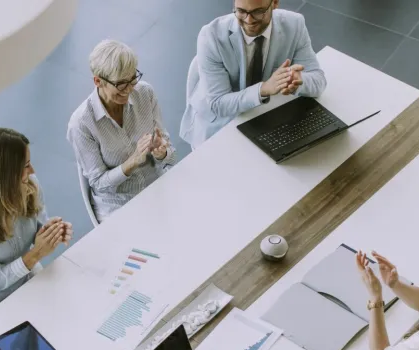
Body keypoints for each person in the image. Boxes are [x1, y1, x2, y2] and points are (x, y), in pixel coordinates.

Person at [0, 128, 73, 320]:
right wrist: (34, 255)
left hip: (23, 280)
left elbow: (38, 227)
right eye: (25, 166)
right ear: (4, 176)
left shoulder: (29, 186)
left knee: (67, 314)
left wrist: (51, 231)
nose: (32, 171)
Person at [180, 0, 326, 148]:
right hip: (219, 125)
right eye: (241, 11)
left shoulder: (295, 24)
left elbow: (319, 81)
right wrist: (263, 89)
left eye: (258, 12)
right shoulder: (211, 36)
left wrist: (298, 81)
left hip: (264, 119)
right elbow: (218, 103)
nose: (248, 20)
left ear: (275, 3)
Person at [67, 39, 176, 223]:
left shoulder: (145, 93)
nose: (129, 89)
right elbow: (99, 185)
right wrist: (132, 162)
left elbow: (170, 156)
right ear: (98, 81)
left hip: (156, 187)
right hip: (118, 206)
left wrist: (162, 153)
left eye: (133, 78)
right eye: (121, 84)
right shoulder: (82, 124)